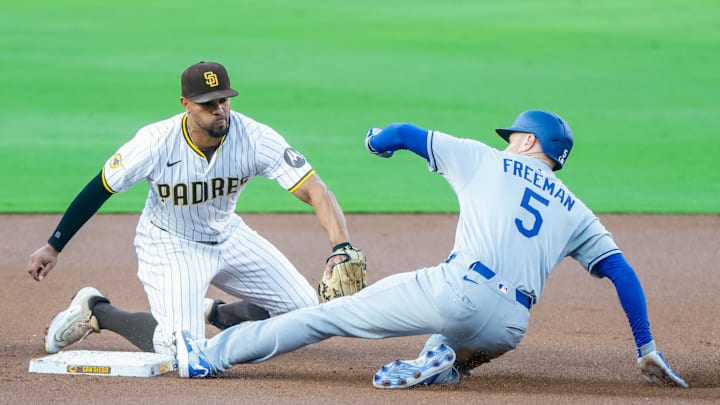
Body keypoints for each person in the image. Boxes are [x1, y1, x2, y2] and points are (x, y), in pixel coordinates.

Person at [173, 110, 688, 388]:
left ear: (530, 144)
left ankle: (210, 357)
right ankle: (445, 358)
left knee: (323, 317)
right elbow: (623, 274)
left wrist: (375, 140)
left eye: (515, 136)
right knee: (467, 319)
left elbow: (401, 133)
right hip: (510, 326)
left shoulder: (485, 159)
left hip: (458, 292)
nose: (509, 140)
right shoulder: (577, 210)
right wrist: (645, 347)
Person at [28, 61, 363, 355]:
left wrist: (340, 245)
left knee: (305, 315)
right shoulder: (155, 142)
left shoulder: (255, 138)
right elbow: (99, 188)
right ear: (186, 104)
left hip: (228, 235)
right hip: (169, 244)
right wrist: (54, 245)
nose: (219, 110)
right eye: (208, 104)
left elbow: (314, 189)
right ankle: (98, 310)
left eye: (223, 101)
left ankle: (216, 314)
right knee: (180, 351)